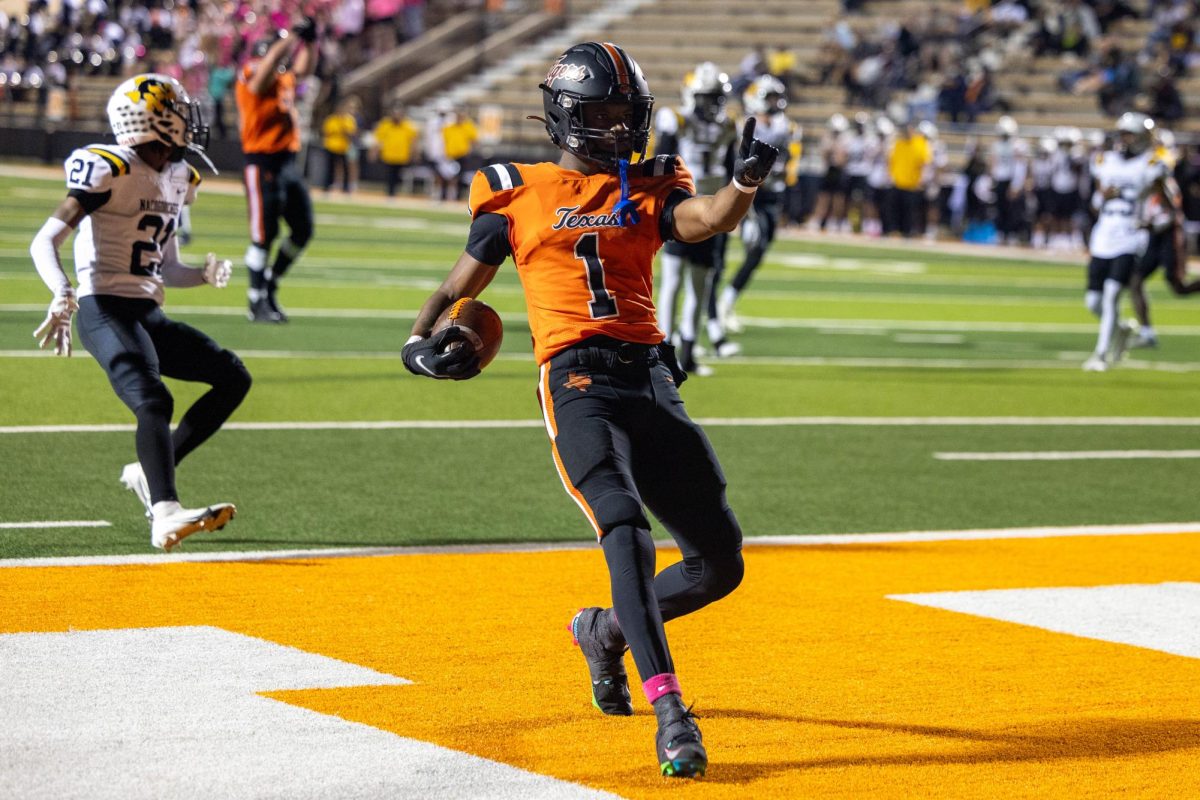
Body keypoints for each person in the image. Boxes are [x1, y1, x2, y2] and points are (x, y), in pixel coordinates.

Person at [400, 41, 777, 779]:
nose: (618, 128)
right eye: (603, 114)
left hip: (649, 377)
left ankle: (603, 632)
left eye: (624, 113)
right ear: (567, 116)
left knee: (718, 563)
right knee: (624, 526)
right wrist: (418, 343)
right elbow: (457, 289)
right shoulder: (517, 192)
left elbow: (704, 221)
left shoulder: (650, 182)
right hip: (576, 379)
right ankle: (670, 708)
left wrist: (746, 179)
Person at [29, 74, 249, 549]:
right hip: (102, 305)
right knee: (154, 399)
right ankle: (165, 513)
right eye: (179, 110)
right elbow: (45, 239)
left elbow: (165, 267)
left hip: (147, 311)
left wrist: (201, 274)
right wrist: (62, 290)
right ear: (154, 119)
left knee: (233, 376)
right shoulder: (109, 166)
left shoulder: (179, 176)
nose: (189, 121)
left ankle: (148, 469)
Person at [653, 62, 741, 375]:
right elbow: (660, 165)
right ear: (692, 95)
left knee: (701, 285)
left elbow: (734, 171)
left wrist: (744, 210)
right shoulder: (676, 120)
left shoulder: (729, 126)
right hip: (681, 208)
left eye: (717, 97)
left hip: (713, 211)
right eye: (707, 97)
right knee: (673, 282)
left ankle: (687, 354)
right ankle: (663, 351)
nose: (713, 104)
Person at [235, 18, 319, 323]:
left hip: (287, 162)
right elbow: (266, 69)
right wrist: (292, 36)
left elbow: (305, 69)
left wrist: (309, 41)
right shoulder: (251, 74)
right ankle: (255, 299)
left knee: (303, 229)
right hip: (262, 162)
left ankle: (270, 283)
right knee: (264, 235)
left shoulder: (283, 78)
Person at [1082, 112, 1176, 371]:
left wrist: (1153, 223)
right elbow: (1095, 204)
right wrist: (1104, 197)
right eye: (1123, 133)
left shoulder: (1152, 163)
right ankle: (1121, 329)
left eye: (1130, 134)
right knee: (1093, 302)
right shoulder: (1106, 161)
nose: (1124, 139)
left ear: (1143, 137)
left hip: (1130, 234)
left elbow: (1168, 202)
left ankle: (1101, 355)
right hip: (1104, 233)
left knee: (1112, 294)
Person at [717, 75, 798, 334]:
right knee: (755, 245)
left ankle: (726, 302)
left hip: (774, 194)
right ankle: (721, 305)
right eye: (770, 97)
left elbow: (789, 162)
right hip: (753, 193)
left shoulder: (785, 126)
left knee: (759, 252)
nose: (775, 103)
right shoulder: (744, 125)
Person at [371, 100, 420, 198]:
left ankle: (395, 193)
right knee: (389, 176)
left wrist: (415, 154)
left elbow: (414, 142)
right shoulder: (385, 124)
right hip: (388, 154)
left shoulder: (408, 126)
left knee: (398, 176)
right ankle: (390, 194)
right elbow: (379, 140)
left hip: (402, 155)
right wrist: (374, 151)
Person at [321, 95, 360, 194]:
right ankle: (327, 186)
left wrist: (345, 130)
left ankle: (346, 188)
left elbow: (352, 134)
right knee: (330, 168)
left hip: (344, 147)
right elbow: (326, 132)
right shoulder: (331, 119)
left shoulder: (349, 120)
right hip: (331, 146)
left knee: (346, 167)